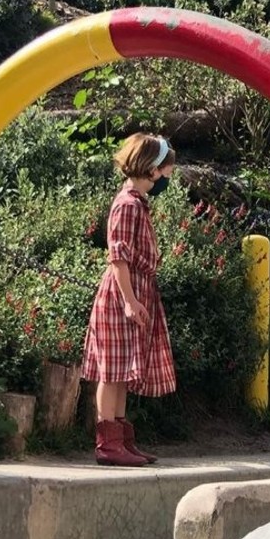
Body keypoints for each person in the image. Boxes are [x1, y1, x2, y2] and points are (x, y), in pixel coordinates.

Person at [82, 133, 177, 467]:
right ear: (151, 169)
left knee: (123, 368)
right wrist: (129, 300)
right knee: (112, 370)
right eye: (166, 171)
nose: (168, 177)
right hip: (124, 293)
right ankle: (107, 444)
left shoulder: (137, 203)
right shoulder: (127, 205)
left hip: (137, 290)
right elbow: (118, 257)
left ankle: (121, 439)